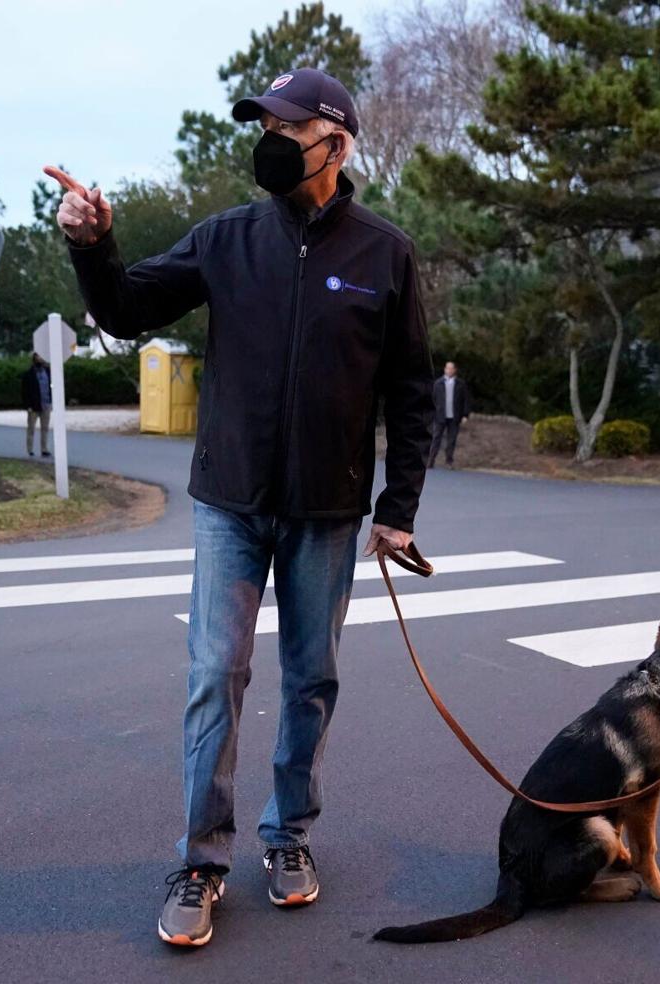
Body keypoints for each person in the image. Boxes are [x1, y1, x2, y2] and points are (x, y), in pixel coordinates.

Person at [46, 67, 433, 948]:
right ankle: (199, 859)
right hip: (230, 504)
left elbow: (411, 392)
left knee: (310, 682)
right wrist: (91, 244)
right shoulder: (226, 239)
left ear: (336, 142)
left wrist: (397, 508)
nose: (268, 140)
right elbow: (123, 308)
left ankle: (289, 836)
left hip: (327, 513)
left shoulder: (385, 253)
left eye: (285, 128)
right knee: (214, 676)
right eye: (261, 123)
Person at [428, 361, 469, 468]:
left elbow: (465, 400)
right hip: (440, 415)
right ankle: (431, 460)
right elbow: (432, 399)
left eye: (451, 368)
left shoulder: (460, 384)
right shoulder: (438, 383)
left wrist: (465, 415)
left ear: (454, 370)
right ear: (444, 369)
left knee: (452, 439)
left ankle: (449, 461)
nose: (449, 370)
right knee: (436, 438)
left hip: (454, 415)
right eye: (447, 368)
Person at [20, 353, 53, 457]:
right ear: (34, 358)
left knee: (45, 428)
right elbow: (24, 391)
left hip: (45, 403)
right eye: (38, 356)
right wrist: (28, 406)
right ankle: (30, 449)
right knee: (31, 428)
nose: (40, 359)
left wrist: (50, 401)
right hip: (33, 406)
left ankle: (44, 449)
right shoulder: (29, 374)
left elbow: (51, 387)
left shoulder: (48, 372)